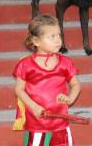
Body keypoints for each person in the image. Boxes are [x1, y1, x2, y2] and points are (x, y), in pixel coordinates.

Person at [13, 14, 81, 146]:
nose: (58, 40)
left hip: (60, 122)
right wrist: (33, 107)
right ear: (36, 41)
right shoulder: (26, 65)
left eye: (59, 35)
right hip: (37, 124)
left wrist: (70, 98)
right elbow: (19, 90)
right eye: (52, 36)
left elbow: (76, 84)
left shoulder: (65, 63)